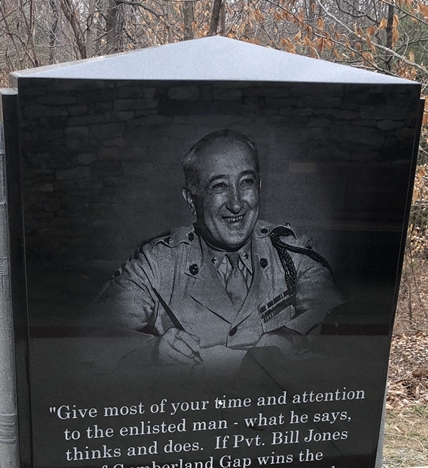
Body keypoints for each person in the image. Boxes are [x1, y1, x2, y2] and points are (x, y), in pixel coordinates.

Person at [96, 129, 343, 367]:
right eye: (219, 186)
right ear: (191, 200)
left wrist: (289, 338)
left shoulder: (291, 251)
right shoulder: (157, 264)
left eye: (246, 182)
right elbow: (96, 334)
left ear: (259, 187)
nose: (236, 204)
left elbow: (336, 318)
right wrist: (152, 353)